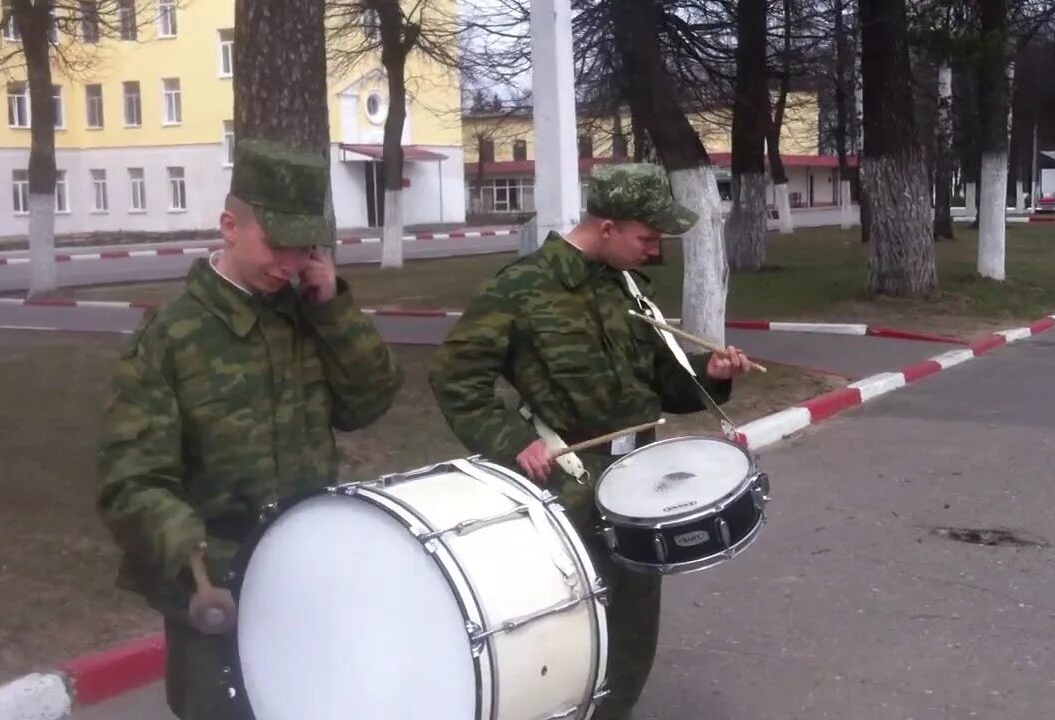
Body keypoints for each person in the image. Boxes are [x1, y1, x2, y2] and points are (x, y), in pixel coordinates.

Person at [428, 162, 754, 719]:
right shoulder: (521, 288)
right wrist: (510, 441)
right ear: (607, 227)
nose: (653, 250)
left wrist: (715, 372)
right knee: (566, 632)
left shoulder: (623, 289)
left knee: (631, 629)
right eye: (646, 237)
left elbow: (664, 382)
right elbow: (454, 376)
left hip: (640, 482)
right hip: (568, 487)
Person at [95, 138, 405, 720]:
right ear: (230, 226)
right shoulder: (174, 338)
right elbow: (130, 481)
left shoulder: (307, 316)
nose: (289, 264)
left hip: (310, 574)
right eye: (277, 245)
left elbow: (369, 402)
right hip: (221, 588)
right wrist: (192, 555)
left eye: (304, 248)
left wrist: (334, 307)